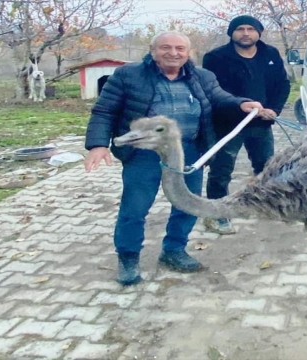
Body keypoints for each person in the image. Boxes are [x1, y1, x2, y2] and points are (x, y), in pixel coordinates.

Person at [83, 31, 263, 286]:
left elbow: (219, 97)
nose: (173, 53)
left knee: (187, 204)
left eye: (180, 48)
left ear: (188, 52)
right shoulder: (128, 75)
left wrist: (242, 104)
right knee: (135, 208)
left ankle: (174, 250)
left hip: (188, 151)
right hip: (144, 153)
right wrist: (98, 144)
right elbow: (105, 110)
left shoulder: (202, 76)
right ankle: (128, 257)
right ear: (152, 50)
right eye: (166, 47)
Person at [201, 15, 291, 235]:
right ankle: (217, 213)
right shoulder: (215, 57)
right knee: (221, 170)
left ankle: (267, 203)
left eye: (251, 28)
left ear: (258, 32)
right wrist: (238, 106)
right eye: (240, 28)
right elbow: (213, 92)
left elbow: (282, 84)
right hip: (227, 124)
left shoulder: (270, 54)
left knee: (266, 166)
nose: (245, 33)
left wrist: (274, 109)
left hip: (261, 122)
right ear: (232, 33)